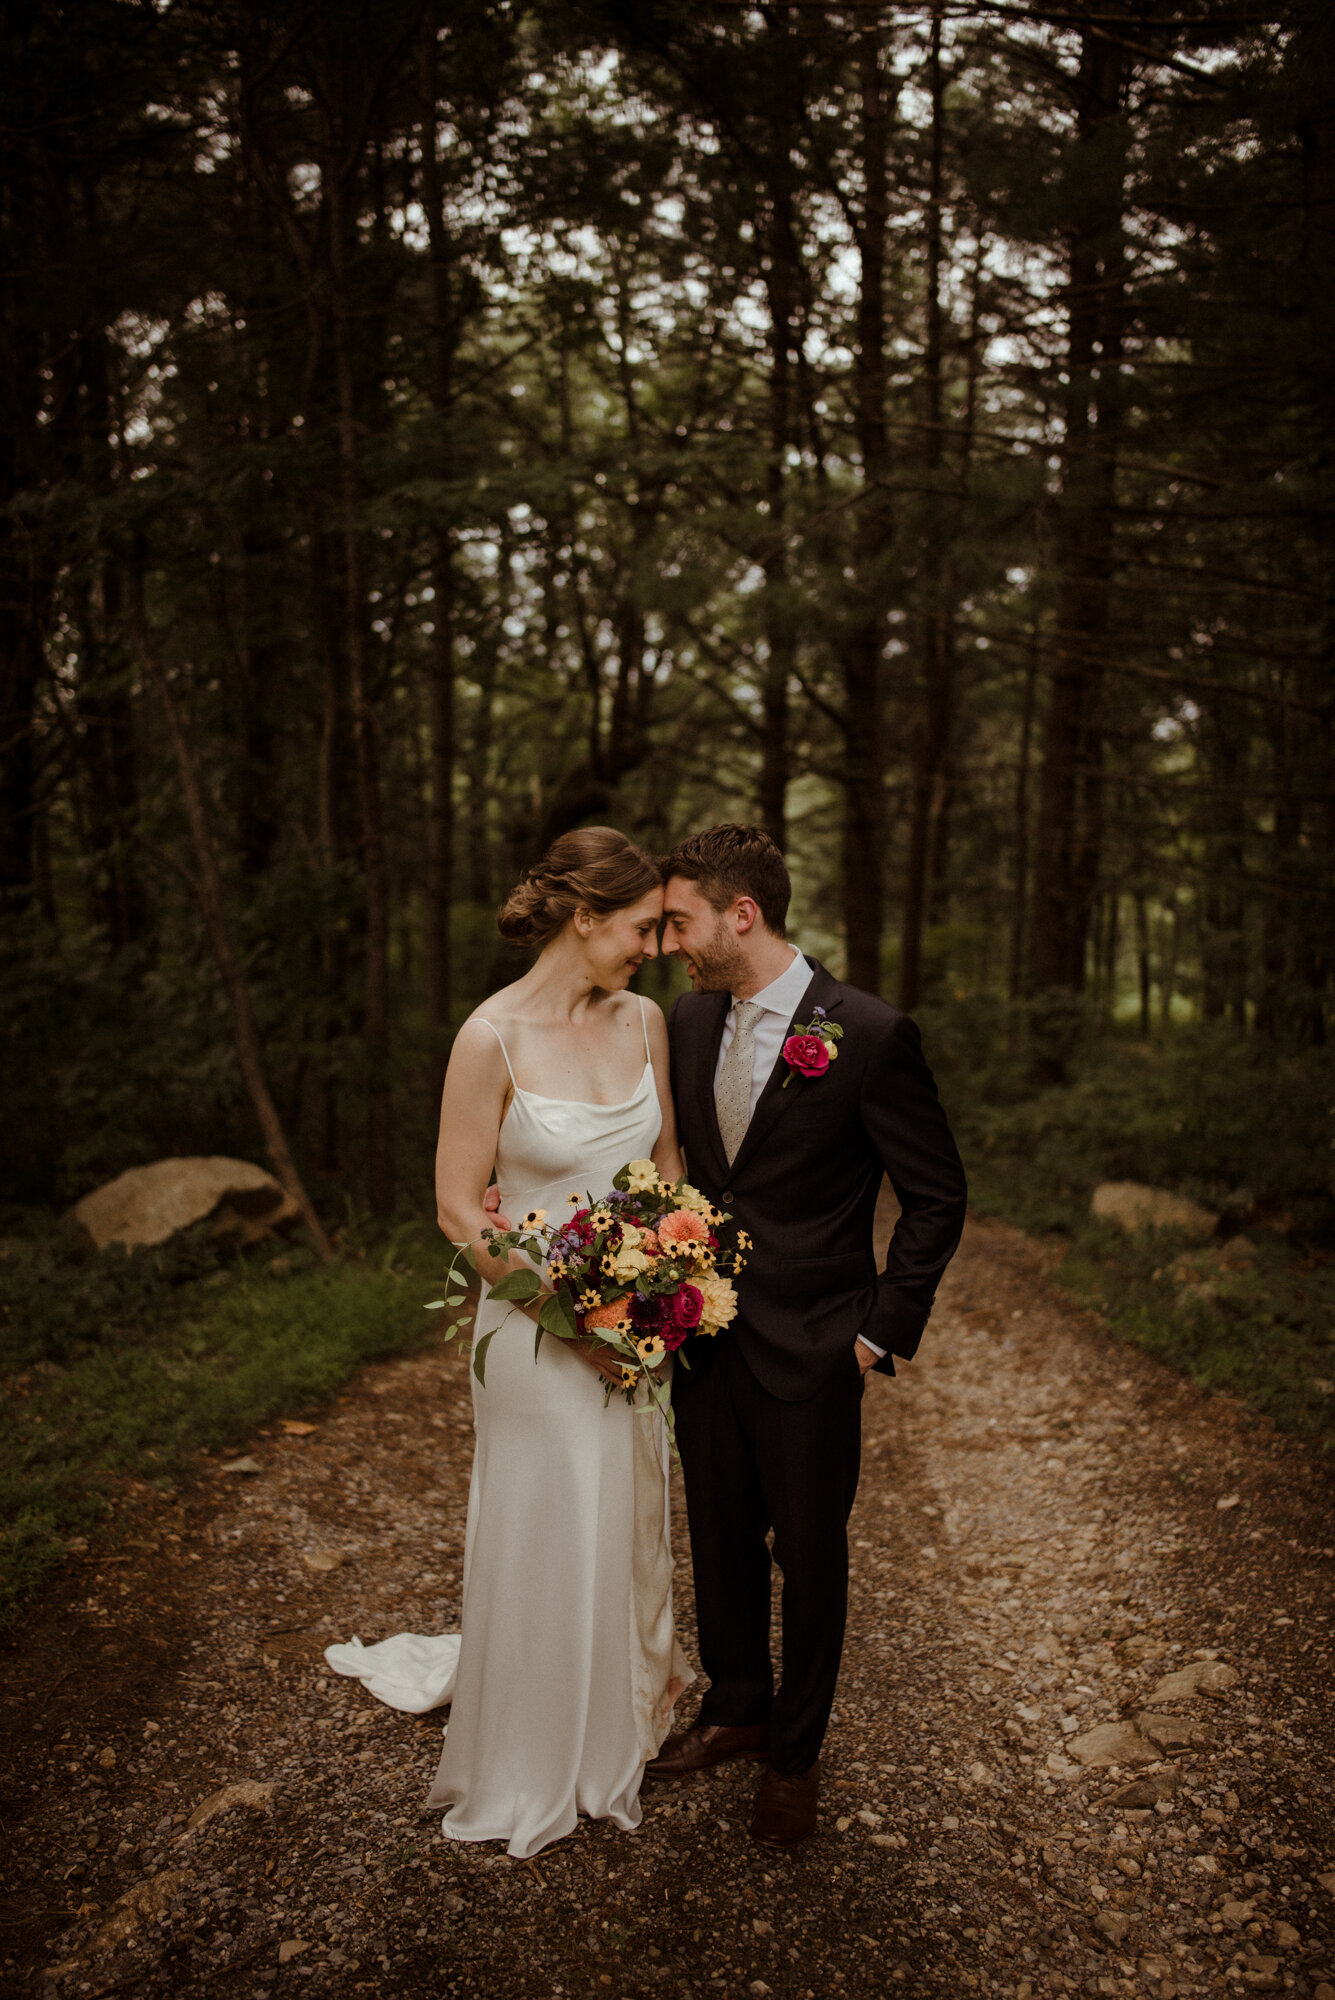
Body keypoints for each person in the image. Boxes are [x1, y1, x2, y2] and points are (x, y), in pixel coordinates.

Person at [326, 827, 692, 1858]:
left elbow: (667, 1168)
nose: (651, 946)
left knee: (626, 1514)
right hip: (536, 1331)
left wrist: (664, 1293)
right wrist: (577, 1323)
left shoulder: (646, 1021)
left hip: (635, 1325)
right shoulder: (489, 1037)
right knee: (549, 1517)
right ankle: (535, 1748)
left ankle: (619, 1716)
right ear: (585, 919)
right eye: (637, 927)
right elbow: (458, 1209)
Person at [648, 823, 967, 1845]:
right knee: (720, 1532)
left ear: (742, 914)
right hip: (706, 1337)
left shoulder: (869, 1033)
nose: (671, 942)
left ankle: (796, 1749)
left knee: (812, 1551)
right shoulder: (687, 1023)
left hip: (819, 1345)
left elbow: (936, 1195)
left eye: (682, 920)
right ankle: (738, 1702)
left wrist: (879, 1333)